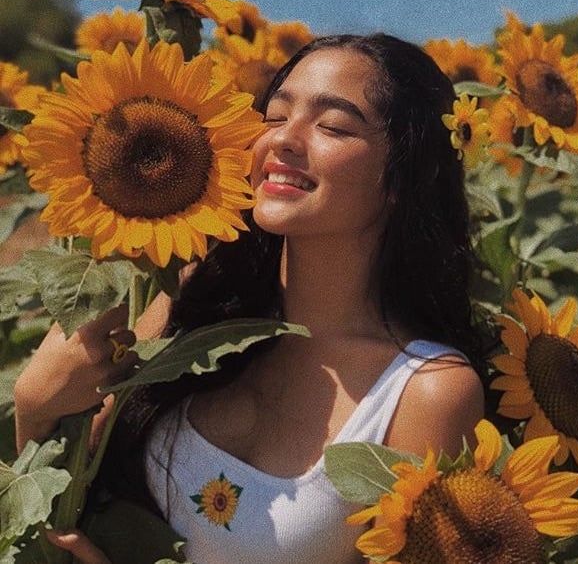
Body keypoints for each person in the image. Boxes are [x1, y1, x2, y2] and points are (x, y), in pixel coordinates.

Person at [15, 34, 485, 564]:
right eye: (275, 116)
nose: (284, 139)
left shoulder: (423, 393)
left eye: (332, 125)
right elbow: (58, 498)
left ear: (404, 175)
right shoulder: (191, 300)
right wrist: (34, 407)